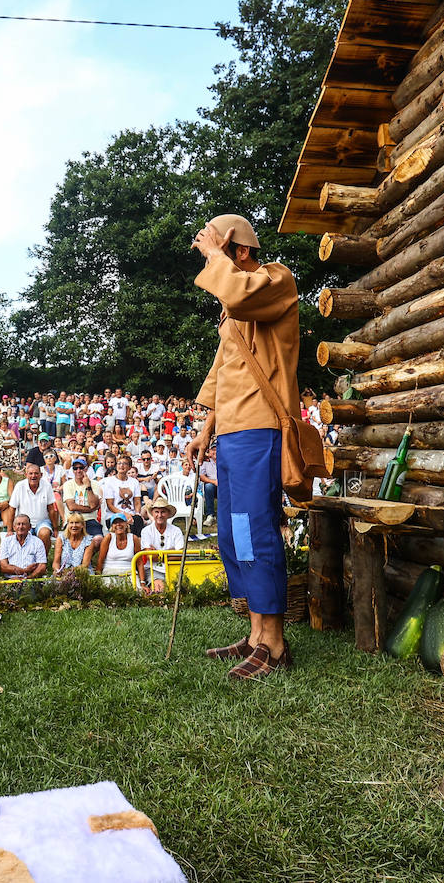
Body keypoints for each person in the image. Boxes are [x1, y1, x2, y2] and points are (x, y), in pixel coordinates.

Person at [185, 213, 300, 680]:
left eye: (218, 250)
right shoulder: (232, 310)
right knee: (235, 536)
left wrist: (215, 255)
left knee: (257, 531)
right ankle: (255, 635)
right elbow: (223, 373)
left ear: (242, 251)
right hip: (231, 432)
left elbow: (238, 291)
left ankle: (274, 644)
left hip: (260, 429)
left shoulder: (276, 281)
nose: (210, 260)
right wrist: (204, 429)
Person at [138, 497, 185, 594]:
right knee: (159, 590)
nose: (159, 515)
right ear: (153, 513)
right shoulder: (146, 531)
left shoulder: (176, 530)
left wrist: (157, 554)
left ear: (168, 514)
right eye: (156, 512)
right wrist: (170, 552)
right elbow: (149, 556)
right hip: (153, 568)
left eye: (163, 512)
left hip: (173, 568)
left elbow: (181, 555)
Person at [10, 462, 58, 549]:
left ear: (41, 475)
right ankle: (27, 561)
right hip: (24, 523)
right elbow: (12, 508)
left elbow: (51, 509)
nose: (33, 476)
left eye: (36, 473)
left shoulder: (47, 486)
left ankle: (42, 560)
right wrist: (9, 530)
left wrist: (55, 528)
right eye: (31, 473)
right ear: (26, 475)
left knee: (45, 533)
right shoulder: (19, 486)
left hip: (43, 521)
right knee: (23, 536)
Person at [61, 457, 102, 537]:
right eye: (75, 468)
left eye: (81, 468)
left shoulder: (95, 484)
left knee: (98, 539)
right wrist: (90, 509)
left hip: (90, 520)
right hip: (72, 520)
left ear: (86, 469)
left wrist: (88, 486)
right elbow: (71, 507)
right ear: (73, 470)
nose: (78, 471)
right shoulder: (68, 484)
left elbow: (93, 504)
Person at [0, 513, 47, 580]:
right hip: (10, 580)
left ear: (30, 527)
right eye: (18, 524)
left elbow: (42, 566)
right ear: (14, 527)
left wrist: (28, 578)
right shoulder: (6, 542)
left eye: (24, 524)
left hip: (31, 580)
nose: (21, 527)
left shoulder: (37, 542)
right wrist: (25, 571)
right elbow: (3, 567)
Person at [96, 512, 138, 582]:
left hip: (129, 572)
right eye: (115, 523)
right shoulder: (108, 538)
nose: (118, 524)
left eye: (121, 522)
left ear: (126, 524)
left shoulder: (134, 538)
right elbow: (100, 560)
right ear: (112, 526)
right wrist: (97, 579)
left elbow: (139, 562)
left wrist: (142, 582)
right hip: (109, 572)